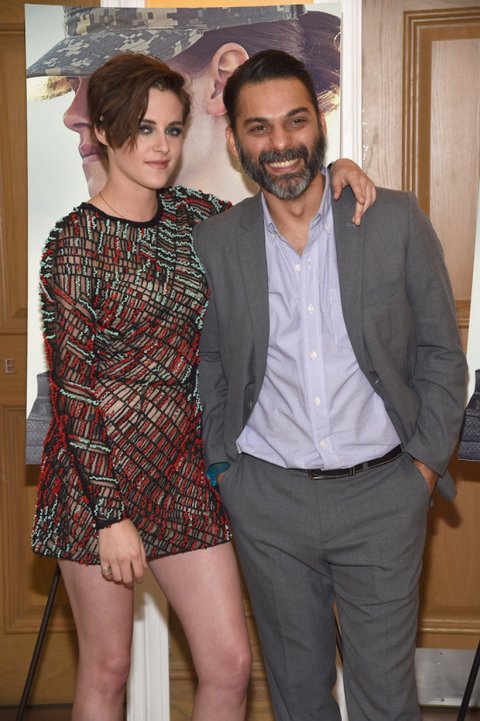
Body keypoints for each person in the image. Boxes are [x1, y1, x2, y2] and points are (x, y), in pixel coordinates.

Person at [31, 52, 375, 721]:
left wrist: (334, 171)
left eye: (172, 129)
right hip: (95, 483)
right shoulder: (72, 242)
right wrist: (110, 517)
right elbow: (74, 392)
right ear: (103, 131)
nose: (161, 146)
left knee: (229, 664)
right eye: (143, 129)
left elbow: (285, 201)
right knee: (107, 667)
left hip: (184, 476)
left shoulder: (198, 217)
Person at [193, 50, 468, 721]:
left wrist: (422, 469)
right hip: (267, 502)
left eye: (295, 121)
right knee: (298, 698)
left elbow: (441, 353)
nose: (281, 142)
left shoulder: (393, 219)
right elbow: (211, 366)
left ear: (320, 122)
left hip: (384, 496)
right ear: (234, 141)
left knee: (385, 701)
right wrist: (226, 469)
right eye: (259, 127)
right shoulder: (214, 242)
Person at [26, 5, 374, 464]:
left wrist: (333, 174)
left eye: (114, 83)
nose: (74, 114)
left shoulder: (267, 234)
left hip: (271, 482)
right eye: (75, 86)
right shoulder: (82, 249)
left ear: (221, 80)